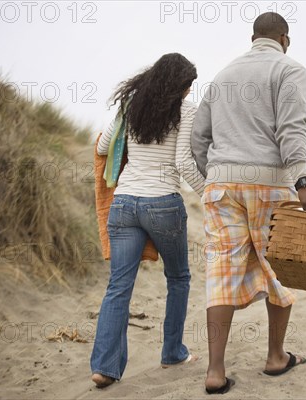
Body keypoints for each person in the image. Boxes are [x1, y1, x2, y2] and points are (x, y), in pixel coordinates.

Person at [191, 12, 306, 394]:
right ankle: (275, 357)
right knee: (280, 266)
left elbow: (199, 139)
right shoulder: (289, 69)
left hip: (221, 186)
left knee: (220, 273)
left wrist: (215, 177)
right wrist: (302, 182)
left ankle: (215, 373)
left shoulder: (222, 76)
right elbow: (291, 127)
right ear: (285, 38)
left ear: (253, 38)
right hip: (268, 183)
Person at [90, 53, 205, 388]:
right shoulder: (185, 111)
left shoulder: (130, 106)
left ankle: (104, 368)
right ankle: (172, 352)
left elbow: (102, 146)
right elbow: (184, 162)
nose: (188, 93)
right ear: (179, 85)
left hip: (124, 204)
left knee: (118, 287)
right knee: (179, 277)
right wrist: (209, 194)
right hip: (163, 204)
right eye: (187, 86)